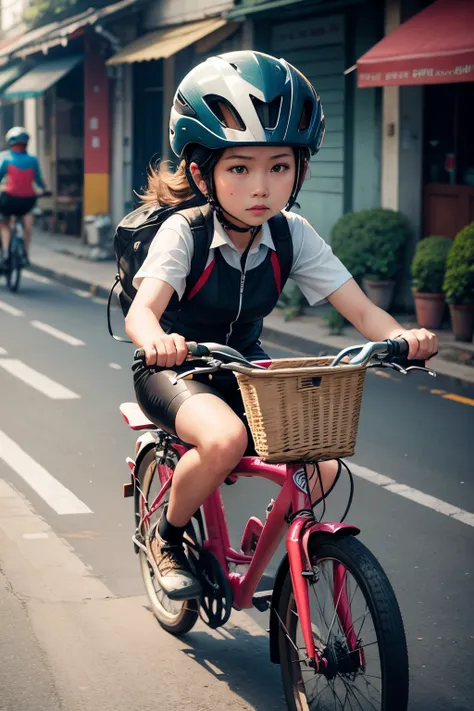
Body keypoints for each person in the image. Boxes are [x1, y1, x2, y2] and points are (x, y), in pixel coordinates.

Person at [125, 51, 438, 600]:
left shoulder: (291, 234)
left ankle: (276, 544)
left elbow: (364, 312)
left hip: (246, 367)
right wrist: (159, 342)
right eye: (240, 168)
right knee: (225, 440)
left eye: (279, 166)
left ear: (299, 170)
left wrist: (402, 337)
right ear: (204, 172)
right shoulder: (185, 233)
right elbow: (142, 312)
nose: (261, 187)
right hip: (176, 369)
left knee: (322, 460)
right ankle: (167, 538)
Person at [0, 126, 46, 267]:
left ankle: (7, 252)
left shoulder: (5, 157)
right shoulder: (32, 159)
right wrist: (44, 190)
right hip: (28, 201)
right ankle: (25, 254)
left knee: (3, 224)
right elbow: (38, 180)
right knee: (27, 225)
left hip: (9, 200)